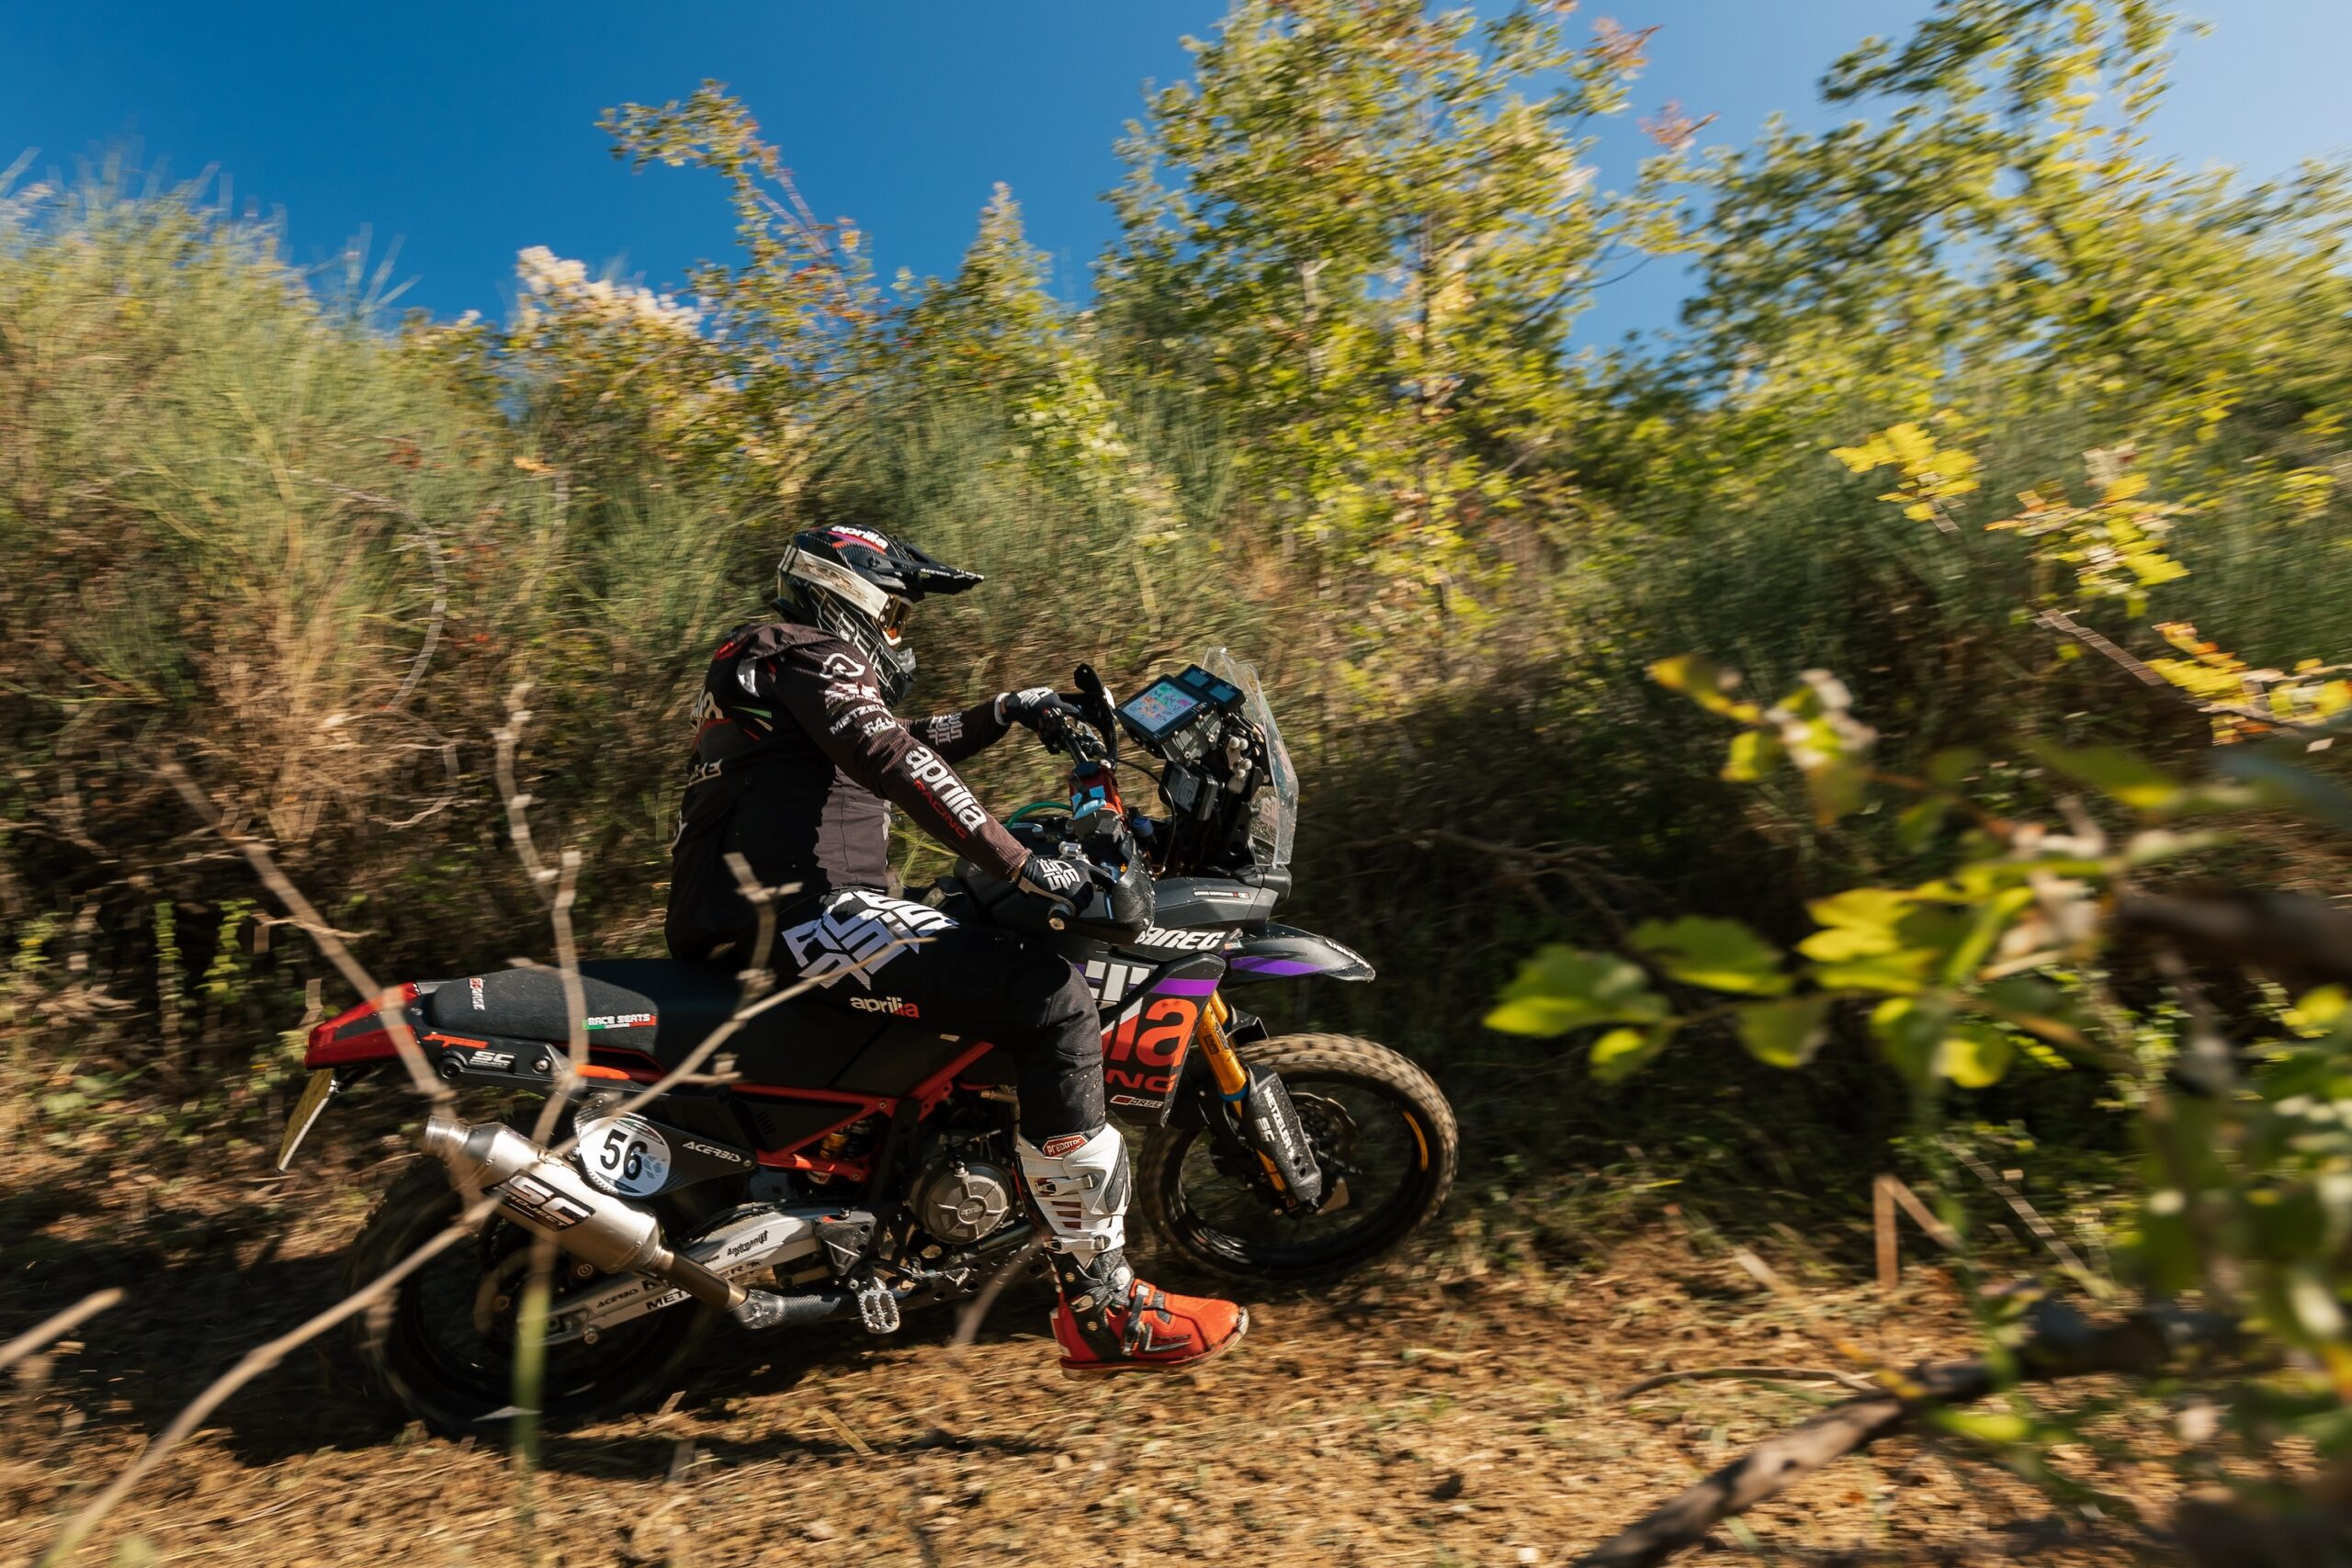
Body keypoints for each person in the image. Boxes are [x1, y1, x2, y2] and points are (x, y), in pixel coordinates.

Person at [664, 524, 1247, 1377]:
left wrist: (1009, 712)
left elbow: (894, 741)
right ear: (849, 590)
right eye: (895, 614)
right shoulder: (803, 648)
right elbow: (892, 755)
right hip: (806, 918)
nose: (898, 635)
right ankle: (1103, 1302)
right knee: (1048, 998)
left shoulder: (776, 660)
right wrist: (1026, 863)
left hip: (769, 920)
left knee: (970, 957)